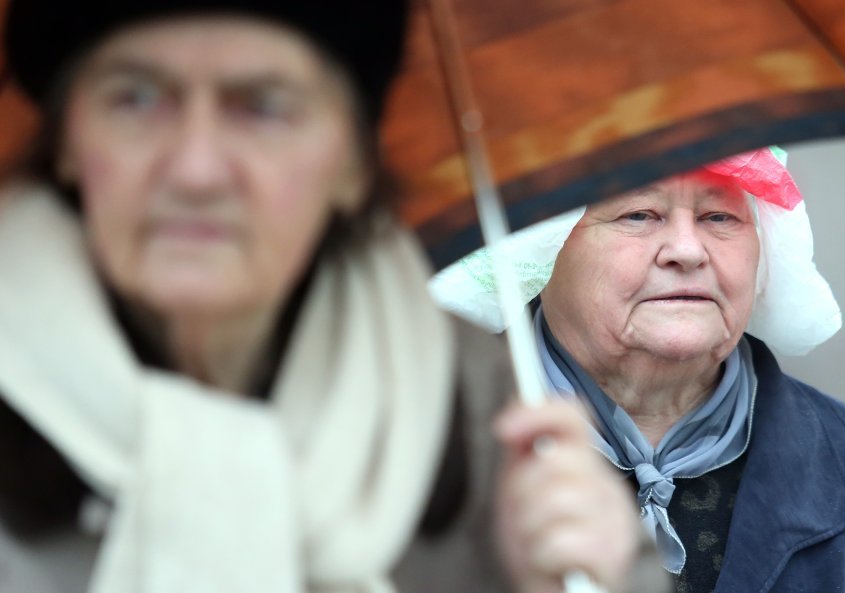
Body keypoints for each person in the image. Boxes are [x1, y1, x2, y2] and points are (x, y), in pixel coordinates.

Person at [0, 2, 644, 592]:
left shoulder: (479, 406)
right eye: (137, 99)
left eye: (263, 107)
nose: (195, 168)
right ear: (65, 143)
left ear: (354, 165)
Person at [431, 148, 845, 592]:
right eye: (639, 215)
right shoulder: (426, 464)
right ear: (543, 250)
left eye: (720, 217)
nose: (687, 250)